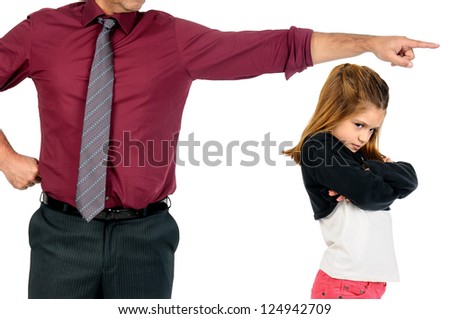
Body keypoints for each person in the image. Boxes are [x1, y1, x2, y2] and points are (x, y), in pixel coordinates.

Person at [0, 0, 438, 299]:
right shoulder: (43, 31)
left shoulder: (171, 38)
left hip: (145, 239)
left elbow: (275, 47)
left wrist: (368, 42)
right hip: (62, 234)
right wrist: (6, 158)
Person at [284, 63, 418, 299]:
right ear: (334, 110)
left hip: (367, 283)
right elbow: (370, 194)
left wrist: (369, 168)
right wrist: (377, 176)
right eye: (359, 125)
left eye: (372, 131)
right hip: (344, 282)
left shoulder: (357, 157)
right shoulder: (318, 147)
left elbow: (410, 180)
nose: (364, 137)